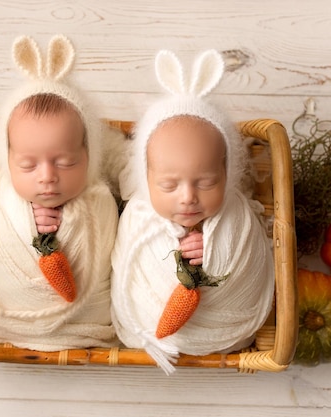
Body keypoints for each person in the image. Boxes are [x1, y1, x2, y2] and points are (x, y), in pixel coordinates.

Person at [110, 49, 275, 374]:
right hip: (148, 330)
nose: (188, 198)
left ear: (228, 176)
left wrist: (215, 251)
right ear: (146, 178)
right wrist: (174, 255)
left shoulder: (237, 216)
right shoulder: (139, 217)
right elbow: (127, 259)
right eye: (169, 185)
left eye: (207, 182)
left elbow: (250, 257)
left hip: (228, 329)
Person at [0, 35, 119, 350]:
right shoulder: (1, 199)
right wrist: (25, 222)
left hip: (85, 323)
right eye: (28, 165)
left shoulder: (100, 199)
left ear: (89, 157)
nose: (47, 177)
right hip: (2, 316)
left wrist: (71, 220)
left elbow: (114, 252)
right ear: (7, 162)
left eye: (66, 162)